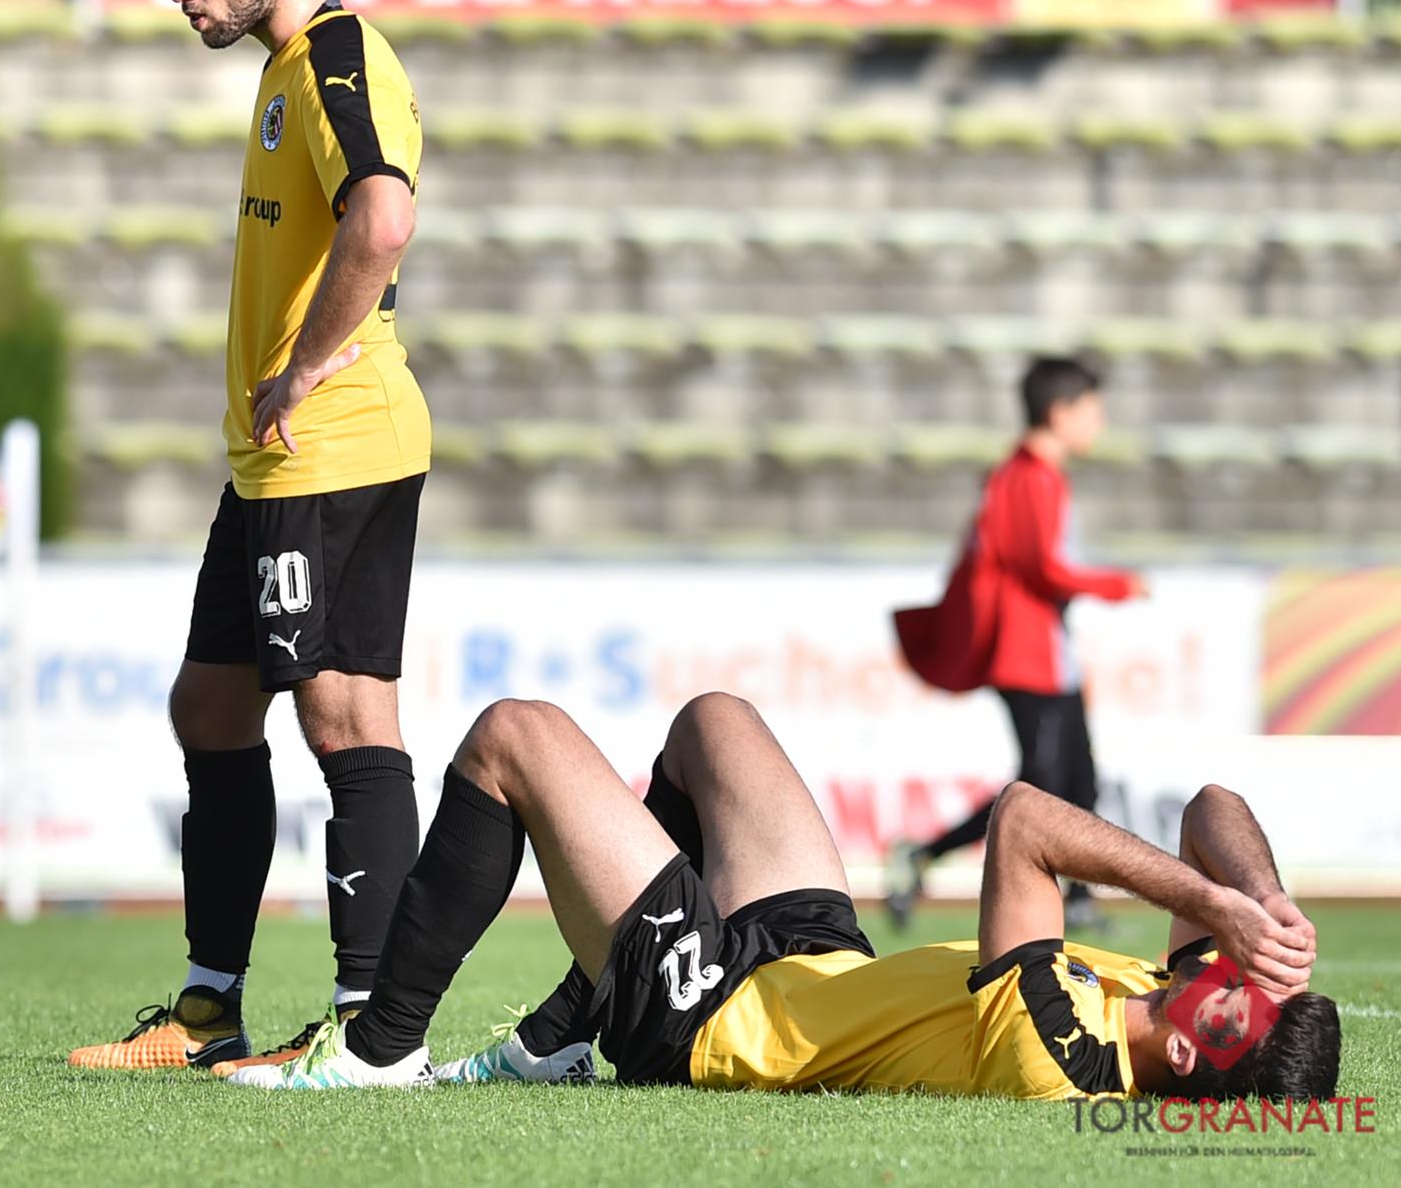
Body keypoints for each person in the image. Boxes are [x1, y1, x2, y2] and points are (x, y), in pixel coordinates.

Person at [226, 691, 1338, 1101]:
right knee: (715, 723)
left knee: (513, 736)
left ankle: (378, 1049)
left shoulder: (1064, 1053)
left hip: (717, 1019)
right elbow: (1214, 805)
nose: (1230, 964)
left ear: (1189, 1049)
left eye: (1236, 989)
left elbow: (1024, 824)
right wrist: (1258, 898)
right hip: (816, 966)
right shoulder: (1185, 1000)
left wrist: (1211, 902)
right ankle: (563, 1032)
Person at [70, 0, 431, 1072]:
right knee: (211, 703)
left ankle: (369, 1029)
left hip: (330, 449)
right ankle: (207, 1007)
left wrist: (307, 365)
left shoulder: (334, 56)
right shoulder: (285, 65)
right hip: (271, 467)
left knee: (344, 714)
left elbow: (383, 215)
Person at [887, 356, 1146, 931]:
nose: (1100, 423)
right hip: (1028, 656)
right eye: (1093, 410)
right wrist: (1116, 585)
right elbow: (1042, 567)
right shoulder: (1032, 477)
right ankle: (926, 856)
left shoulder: (1023, 474)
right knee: (1041, 788)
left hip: (1047, 653)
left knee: (1076, 780)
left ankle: (1076, 898)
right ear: (1060, 412)